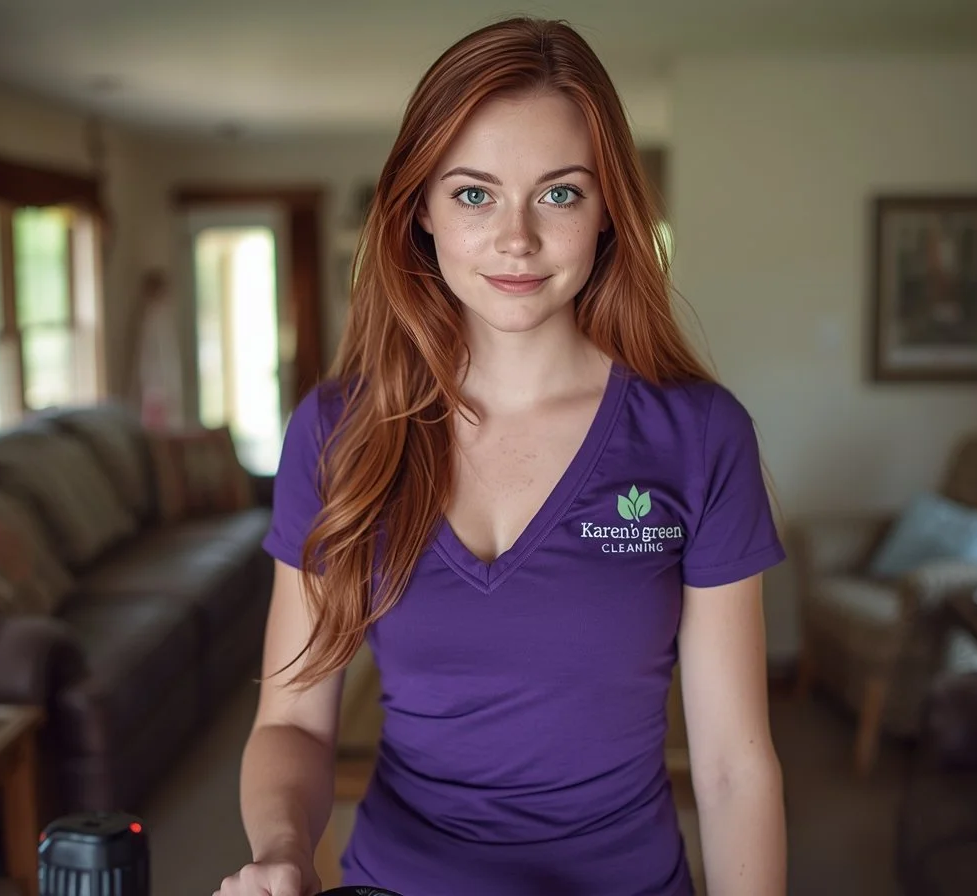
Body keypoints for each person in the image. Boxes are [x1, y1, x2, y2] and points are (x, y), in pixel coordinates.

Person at [219, 16, 787, 896]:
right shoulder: (336, 432)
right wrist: (286, 851)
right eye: (474, 195)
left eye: (559, 193)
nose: (517, 238)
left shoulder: (700, 435)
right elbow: (291, 720)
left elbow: (731, 766)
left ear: (608, 210)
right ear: (420, 209)